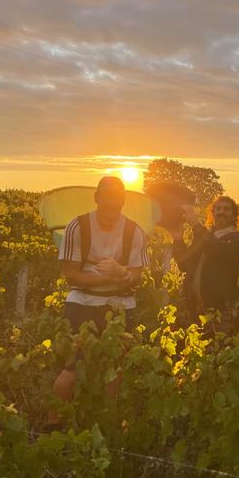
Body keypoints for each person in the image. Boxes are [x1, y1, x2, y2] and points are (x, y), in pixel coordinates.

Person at [50, 176, 148, 420]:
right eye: (107, 196)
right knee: (71, 369)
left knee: (116, 369)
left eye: (117, 198)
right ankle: (53, 426)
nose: (112, 202)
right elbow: (72, 275)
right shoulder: (78, 226)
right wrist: (113, 277)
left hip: (121, 306)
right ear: (96, 197)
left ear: (123, 201)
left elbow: (136, 277)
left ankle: (106, 423)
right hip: (81, 303)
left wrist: (122, 274)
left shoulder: (134, 231)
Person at [170, 196, 239, 331]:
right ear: (212, 213)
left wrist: (195, 225)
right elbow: (185, 265)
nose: (221, 212)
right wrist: (178, 240)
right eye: (218, 208)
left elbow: (217, 252)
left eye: (226, 209)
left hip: (219, 310)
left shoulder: (237, 240)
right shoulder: (204, 237)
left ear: (234, 216)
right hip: (193, 308)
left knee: (217, 347)